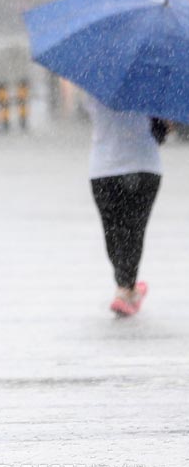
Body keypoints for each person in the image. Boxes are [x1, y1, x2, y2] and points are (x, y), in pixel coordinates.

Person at [85, 96, 165, 317]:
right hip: (143, 166)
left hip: (104, 169)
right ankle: (126, 288)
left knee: (113, 231)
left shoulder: (94, 86)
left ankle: (125, 286)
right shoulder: (150, 89)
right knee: (134, 229)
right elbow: (160, 133)